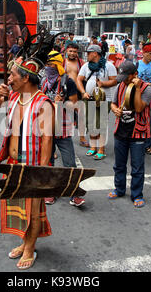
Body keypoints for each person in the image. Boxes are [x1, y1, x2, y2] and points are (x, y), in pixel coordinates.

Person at [0, 55, 55, 270]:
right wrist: (0, 92)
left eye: (13, 75)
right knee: (19, 208)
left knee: (32, 212)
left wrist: (41, 173)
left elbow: (47, 141)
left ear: (26, 78)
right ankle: (24, 243)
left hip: (32, 166)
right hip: (13, 163)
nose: (9, 78)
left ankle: (30, 248)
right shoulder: (13, 97)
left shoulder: (44, 103)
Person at [40, 51, 85, 207]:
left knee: (69, 162)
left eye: (50, 65)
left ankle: (74, 193)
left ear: (57, 65)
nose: (48, 67)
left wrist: (60, 104)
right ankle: (49, 192)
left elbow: (75, 105)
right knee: (48, 162)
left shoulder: (68, 82)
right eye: (46, 64)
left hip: (63, 128)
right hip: (46, 128)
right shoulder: (43, 81)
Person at [109, 61, 151, 208]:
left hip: (138, 132)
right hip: (121, 130)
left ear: (135, 75)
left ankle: (137, 194)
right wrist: (115, 109)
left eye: (127, 77)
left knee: (137, 167)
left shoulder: (147, 89)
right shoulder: (121, 85)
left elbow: (139, 108)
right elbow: (113, 103)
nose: (124, 80)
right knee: (119, 165)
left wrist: (137, 88)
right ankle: (119, 188)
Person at [76, 44, 117, 160]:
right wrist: (83, 92)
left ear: (95, 53)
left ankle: (101, 149)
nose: (87, 55)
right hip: (89, 98)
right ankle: (93, 147)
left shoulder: (109, 66)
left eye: (89, 53)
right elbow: (78, 79)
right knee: (91, 123)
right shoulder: (86, 66)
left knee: (101, 124)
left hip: (104, 99)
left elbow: (114, 81)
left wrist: (103, 84)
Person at [136, 43, 151, 155]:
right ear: (143, 53)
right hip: (138, 96)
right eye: (149, 54)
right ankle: (135, 143)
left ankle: (147, 145)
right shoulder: (137, 65)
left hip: (150, 97)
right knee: (136, 120)